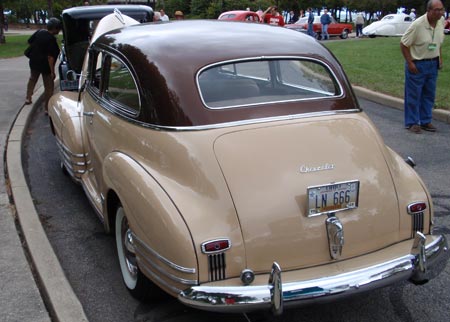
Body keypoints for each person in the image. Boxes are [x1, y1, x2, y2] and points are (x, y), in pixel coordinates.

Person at [400, 0, 445, 133]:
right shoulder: (418, 25)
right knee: (414, 95)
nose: (440, 12)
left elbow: (438, 42)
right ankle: (412, 122)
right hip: (418, 63)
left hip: (433, 63)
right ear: (429, 11)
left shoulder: (441, 21)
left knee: (429, 94)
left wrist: (439, 58)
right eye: (437, 10)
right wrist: (410, 62)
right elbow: (403, 44)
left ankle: (425, 120)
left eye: (441, 9)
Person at [25, 17, 61, 114]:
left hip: (34, 62)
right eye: (58, 28)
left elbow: (29, 41)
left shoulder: (39, 32)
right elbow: (50, 58)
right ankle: (47, 108)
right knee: (49, 86)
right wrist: (52, 72)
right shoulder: (51, 40)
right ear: (54, 29)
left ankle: (28, 98)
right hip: (45, 66)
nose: (59, 30)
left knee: (32, 79)